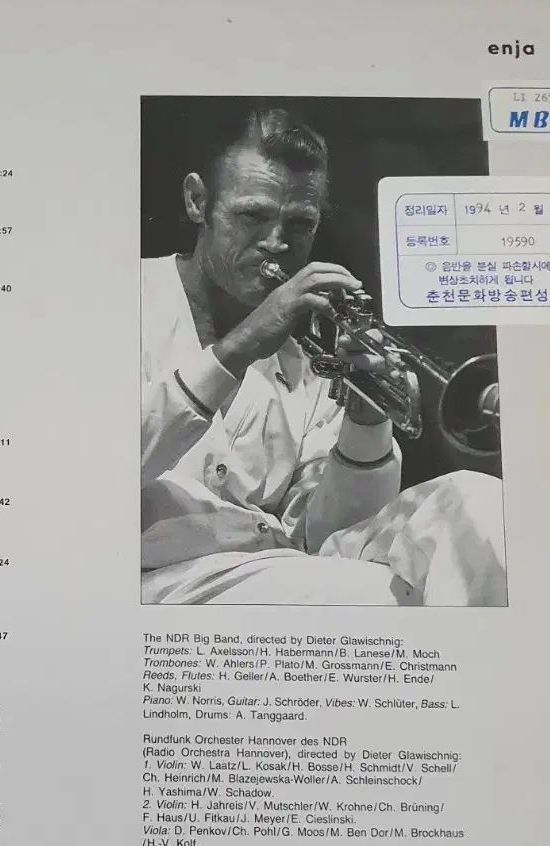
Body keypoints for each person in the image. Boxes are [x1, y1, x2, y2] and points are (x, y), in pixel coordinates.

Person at [141, 104, 505, 606]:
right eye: (252, 216)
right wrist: (238, 350)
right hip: (158, 578)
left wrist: (365, 423)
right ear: (197, 201)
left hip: (284, 574)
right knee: (389, 599)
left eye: (299, 224)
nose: (275, 244)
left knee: (481, 506)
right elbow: (87, 473)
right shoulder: (122, 297)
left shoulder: (309, 357)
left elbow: (333, 537)